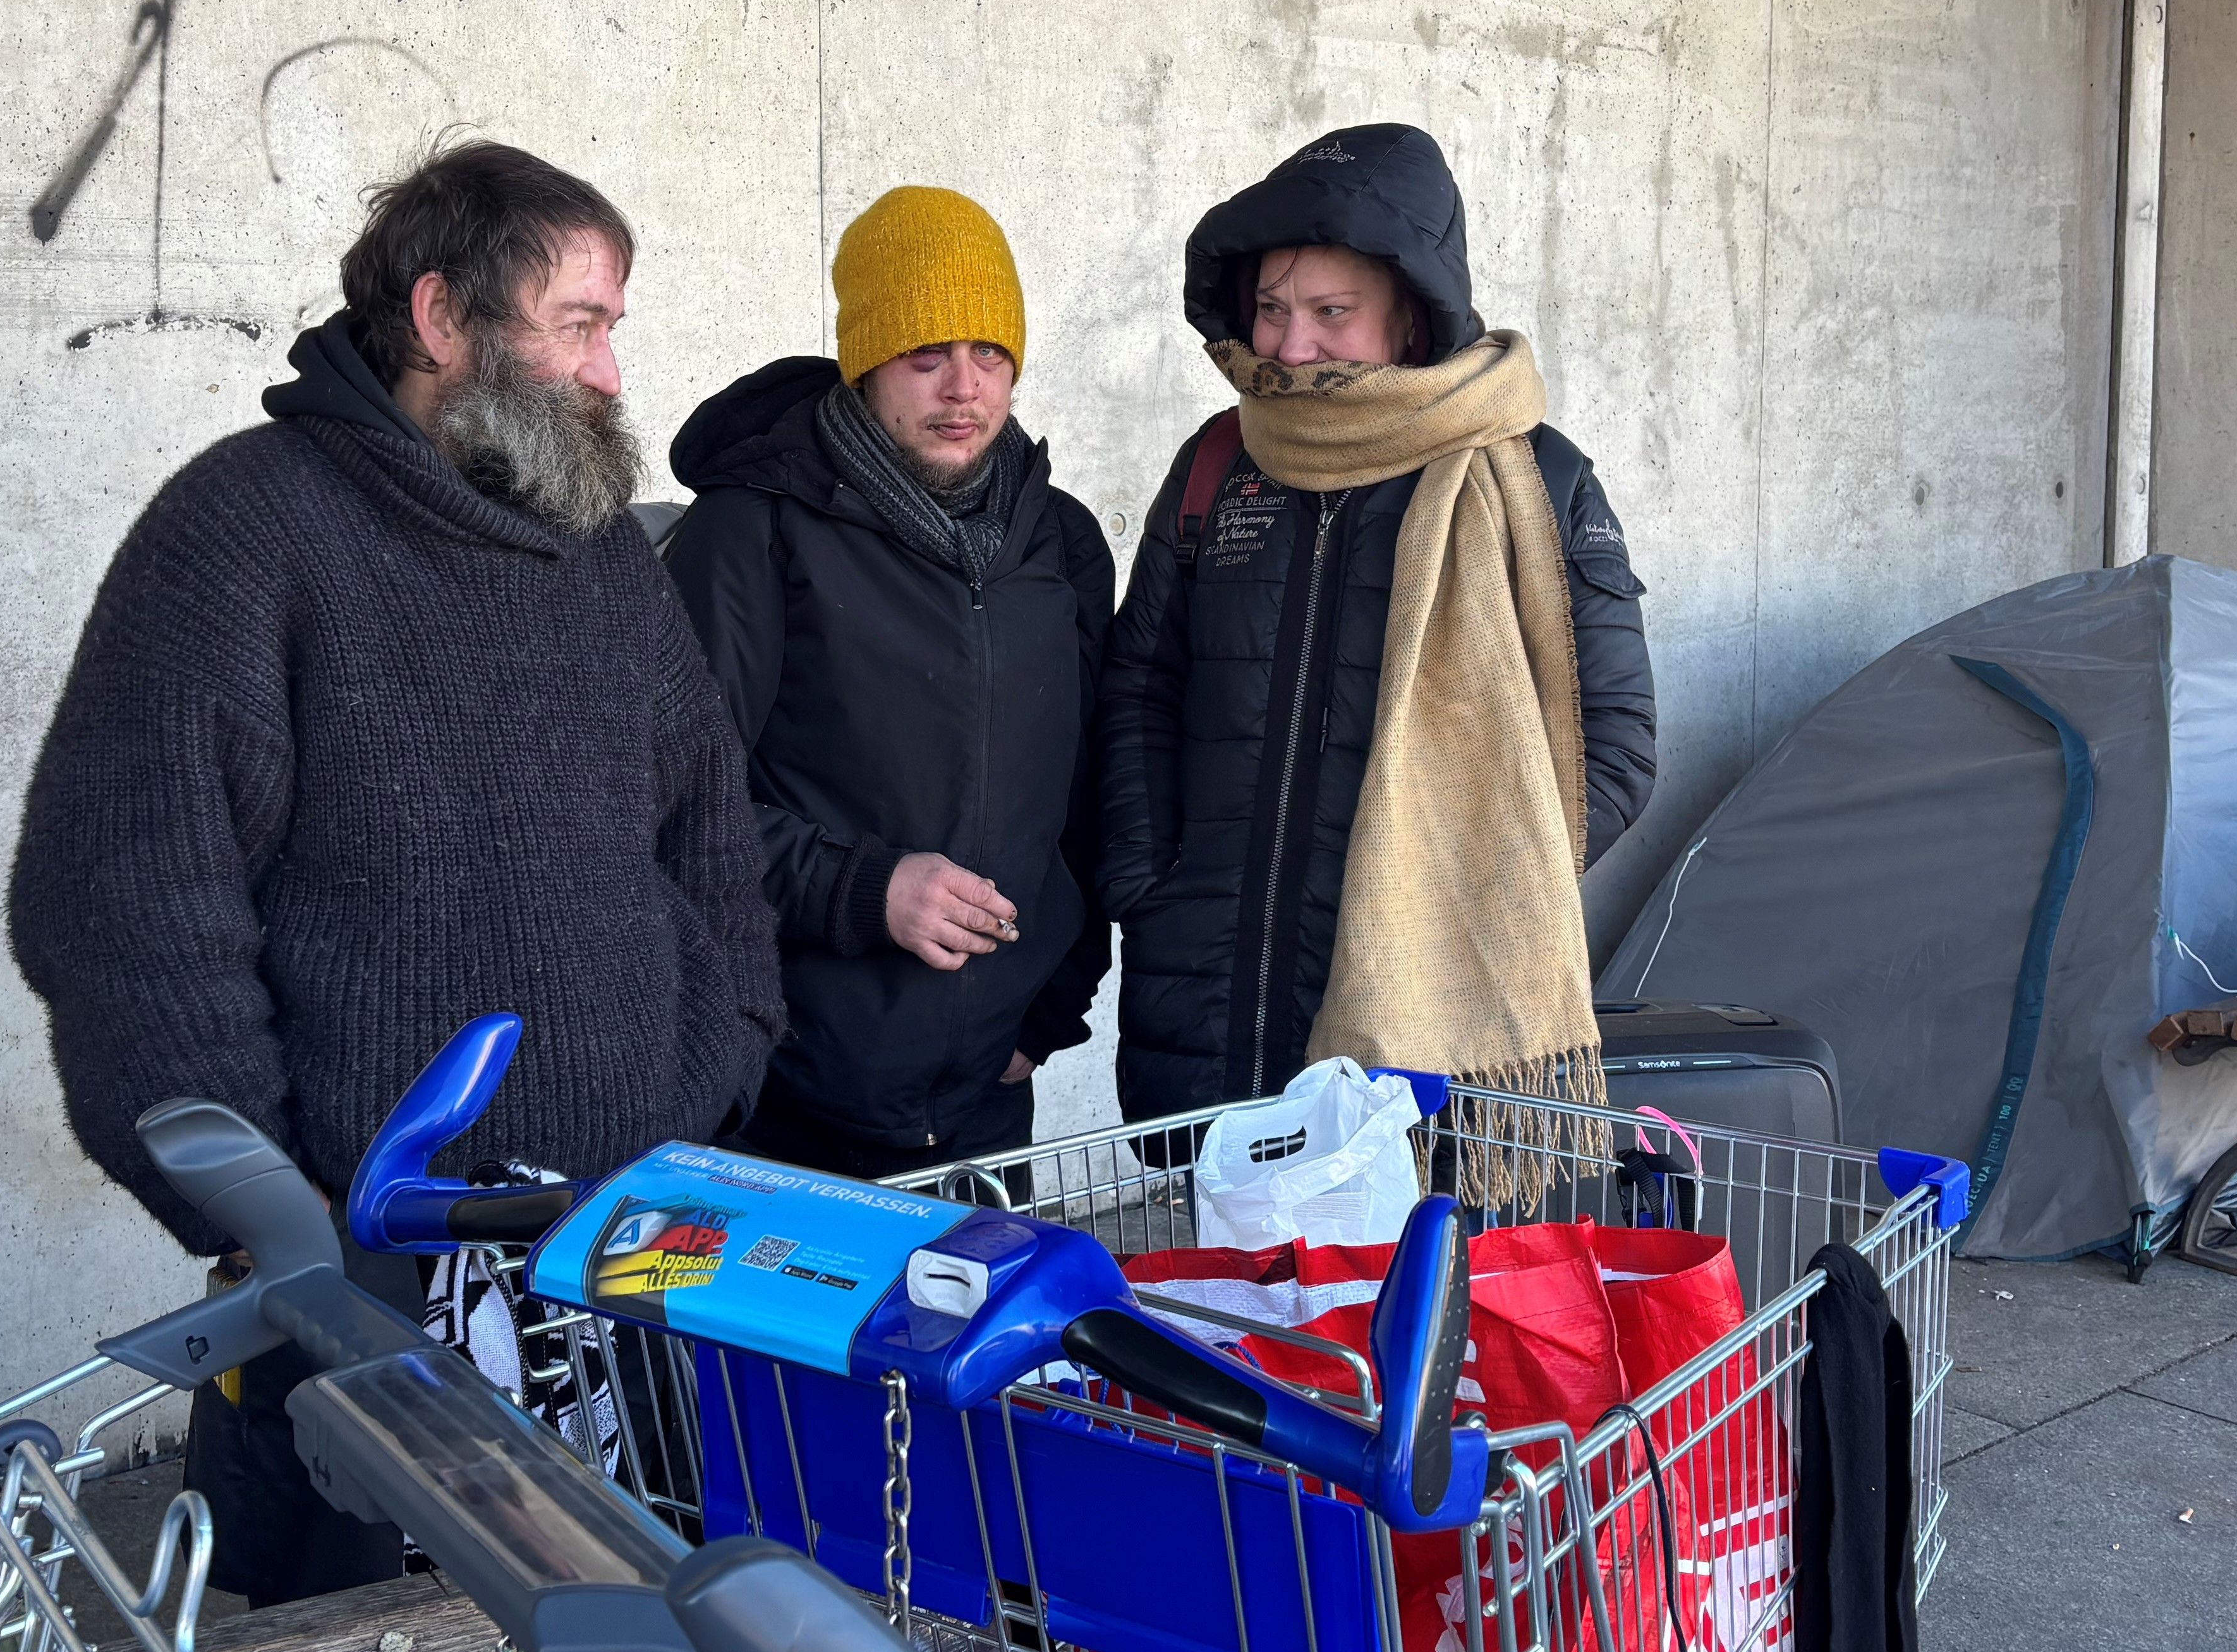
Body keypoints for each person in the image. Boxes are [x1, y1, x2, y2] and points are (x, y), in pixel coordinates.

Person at [9, 138, 782, 1607]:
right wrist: (278, 1227)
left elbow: (710, 835)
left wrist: (716, 1060)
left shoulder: (600, 552)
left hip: (631, 1256)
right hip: (368, 1314)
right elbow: (123, 907)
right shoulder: (244, 531)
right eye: (581, 325)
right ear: (441, 320)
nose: (613, 375)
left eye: (613, 327)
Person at [1098, 123, 1656, 1137]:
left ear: (1410, 318)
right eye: (1270, 309)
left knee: (1410, 1292)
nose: (1289, 345)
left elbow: (1610, 748)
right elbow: (1142, 685)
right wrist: (1152, 880)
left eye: (1331, 312)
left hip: (1437, 1021)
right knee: (1224, 1296)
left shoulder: (1538, 479)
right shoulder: (1223, 462)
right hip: (1214, 996)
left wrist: (1461, 899)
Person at [664, 184, 1115, 1180]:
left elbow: (1087, 808)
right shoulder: (753, 530)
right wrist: (869, 890)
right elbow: (665, 801)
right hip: (784, 1097)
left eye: (990, 353)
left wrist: (1049, 1015)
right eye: (927, 355)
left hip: (990, 1104)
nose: (964, 389)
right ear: (868, 361)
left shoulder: (1064, 542)